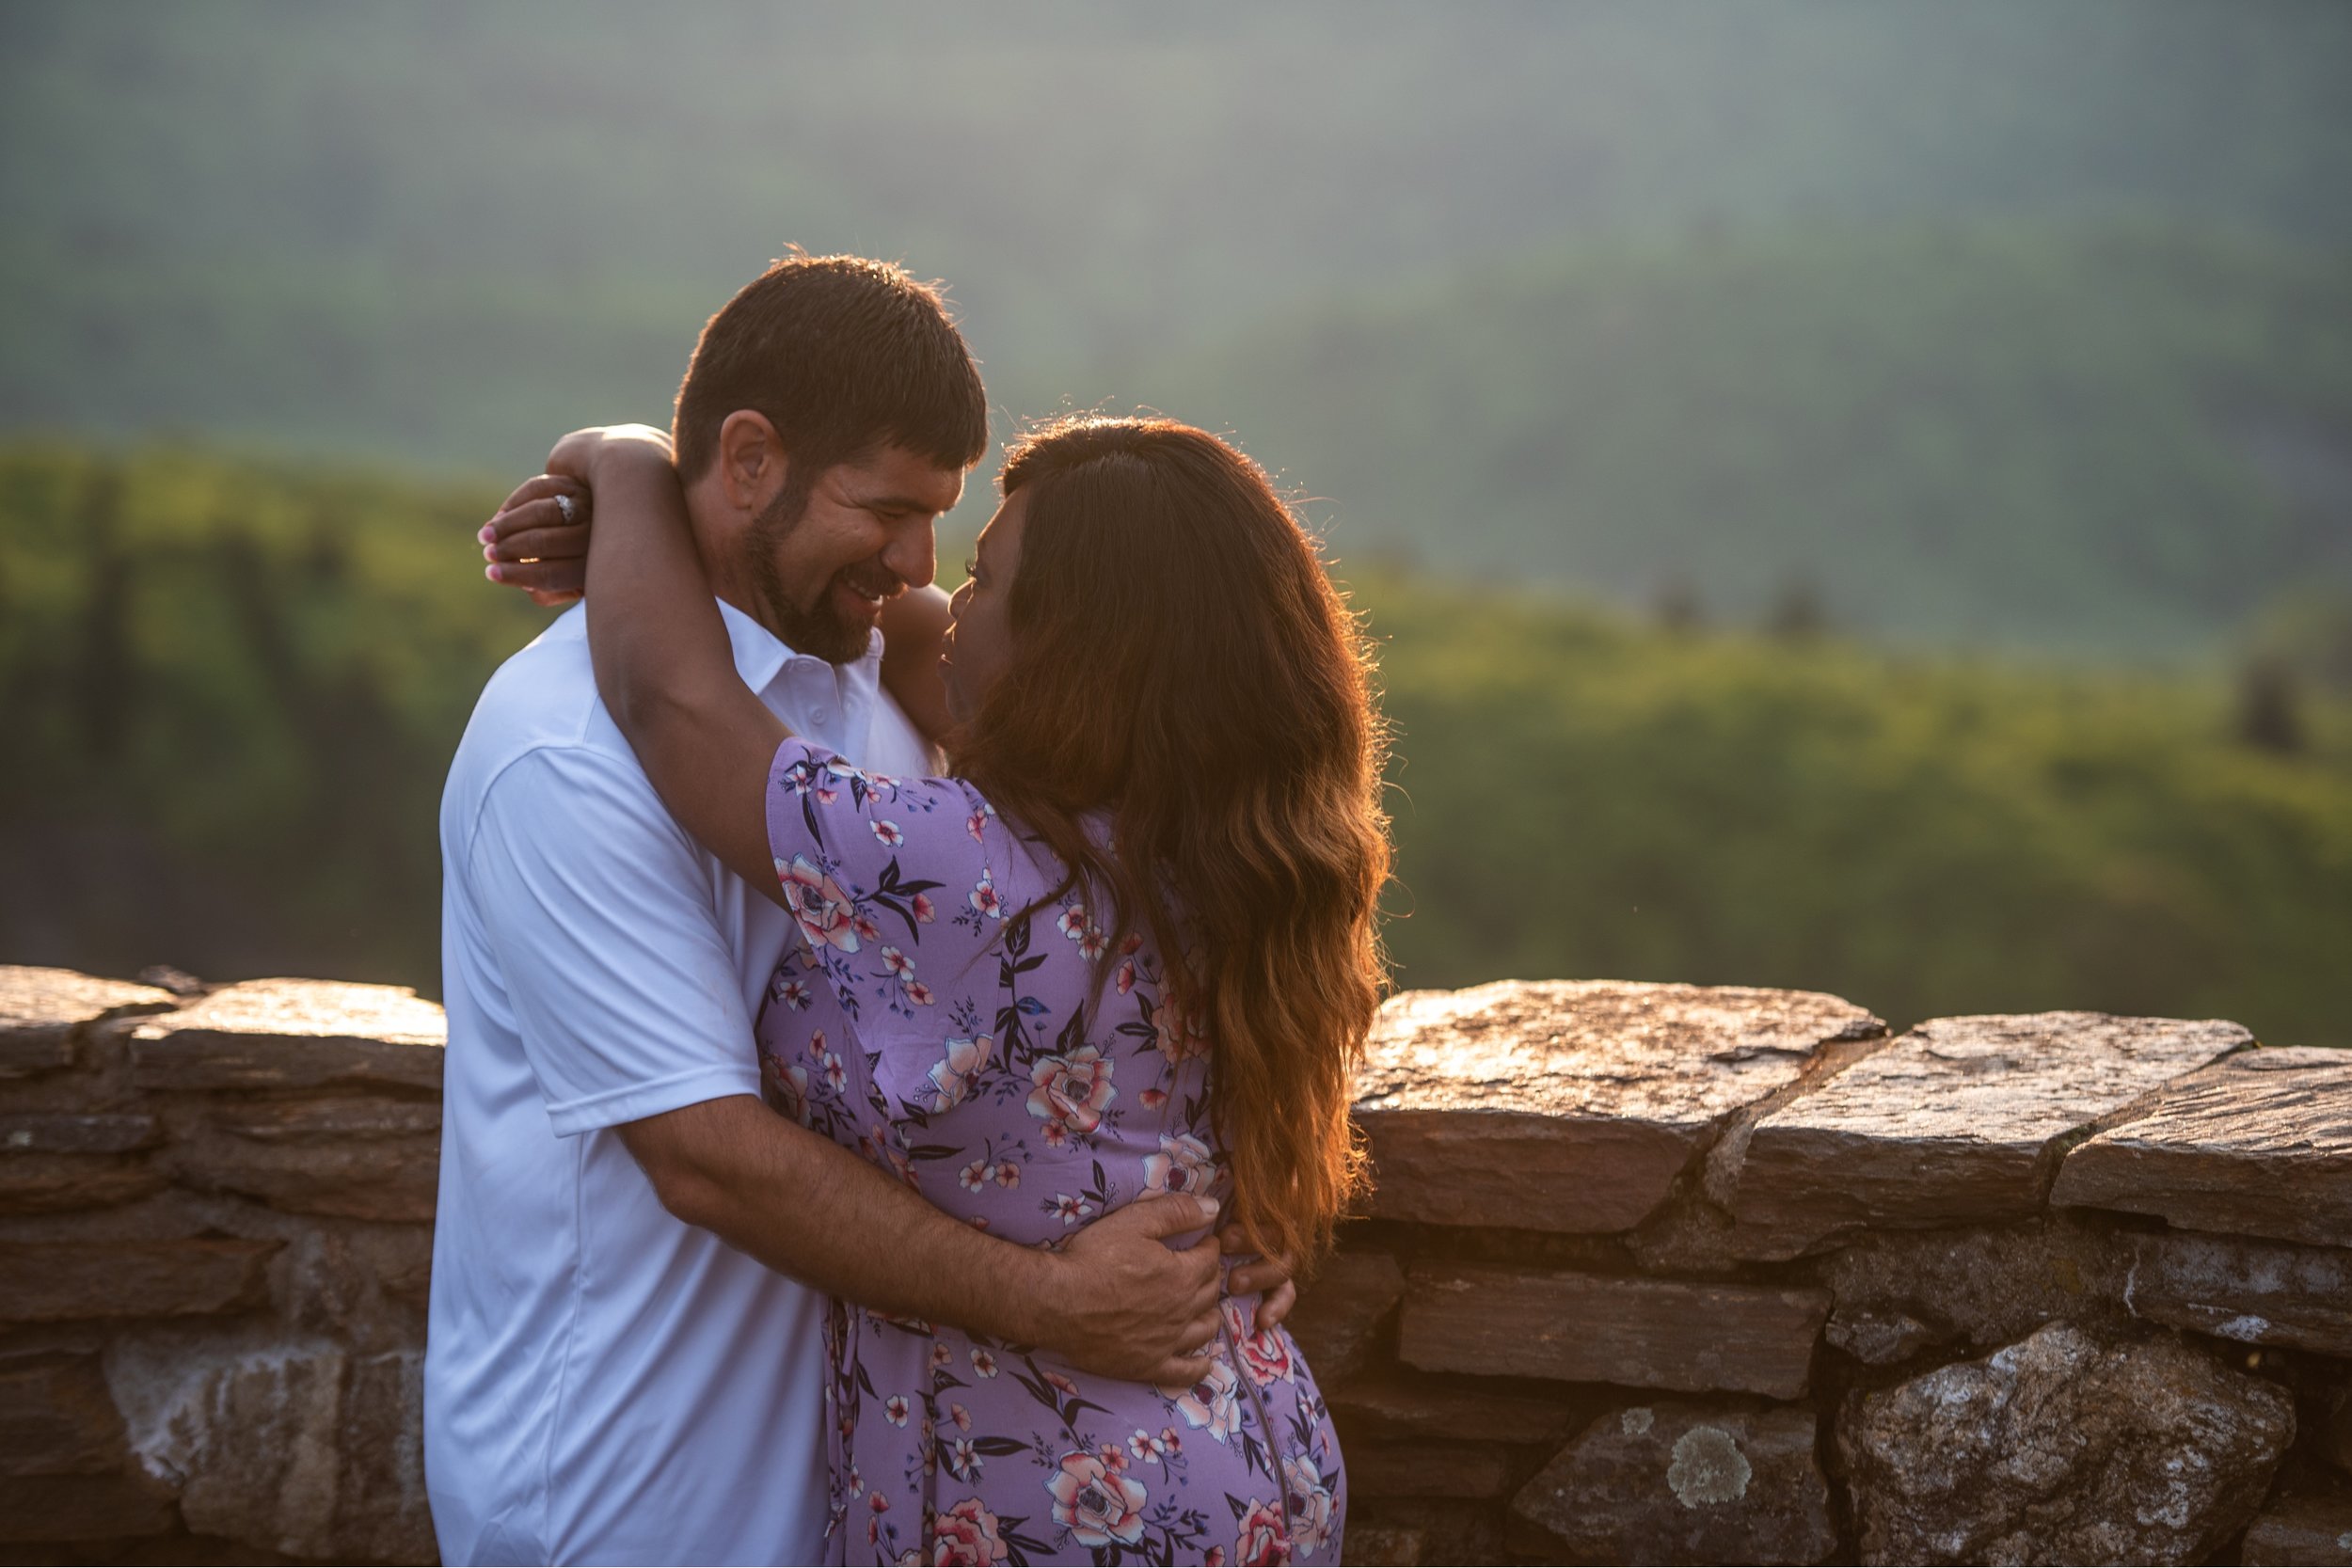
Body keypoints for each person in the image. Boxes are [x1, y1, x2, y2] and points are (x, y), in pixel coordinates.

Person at [428, 253, 1291, 1567]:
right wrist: (1067, 1295)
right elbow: (705, 1151)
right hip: (638, 1502)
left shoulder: (891, 689)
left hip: (876, 1495)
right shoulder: (563, 752)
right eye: (887, 507)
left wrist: (616, 463)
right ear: (752, 458)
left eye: (947, 527)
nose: (917, 565)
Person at [540, 410, 1390, 1564]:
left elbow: (667, 696)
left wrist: (627, 458)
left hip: (1065, 1502)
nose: (939, 596)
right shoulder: (1229, 840)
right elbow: (929, 633)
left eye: (985, 579)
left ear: (1069, 647)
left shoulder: (968, 874)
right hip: (1245, 1447)